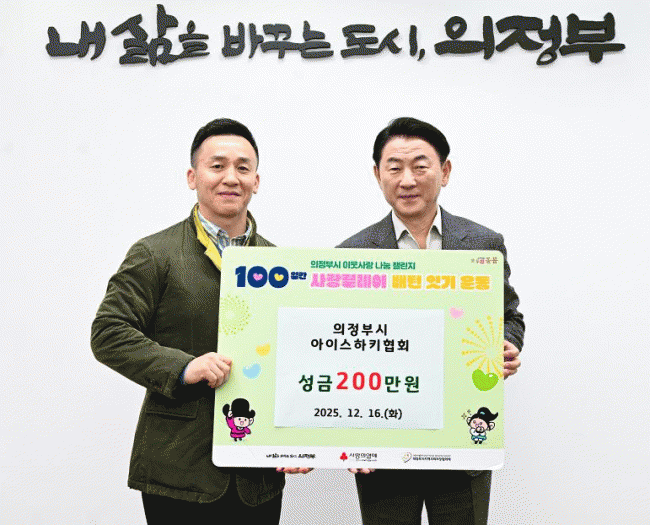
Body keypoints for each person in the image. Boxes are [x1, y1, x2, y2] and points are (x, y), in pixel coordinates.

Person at [91, 118, 307, 524]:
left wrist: (299, 441)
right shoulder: (155, 253)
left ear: (257, 181)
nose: (231, 178)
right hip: (178, 469)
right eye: (217, 166)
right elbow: (109, 333)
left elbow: (295, 360)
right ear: (193, 177)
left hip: (256, 477)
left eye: (243, 168)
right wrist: (184, 367)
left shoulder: (281, 265)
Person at [338, 117, 524, 525]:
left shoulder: (482, 244)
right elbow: (342, 348)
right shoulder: (352, 254)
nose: (407, 179)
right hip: (383, 445)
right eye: (394, 167)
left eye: (420, 166)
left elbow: (509, 315)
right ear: (378, 175)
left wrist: (507, 345)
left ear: (445, 171)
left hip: (462, 438)